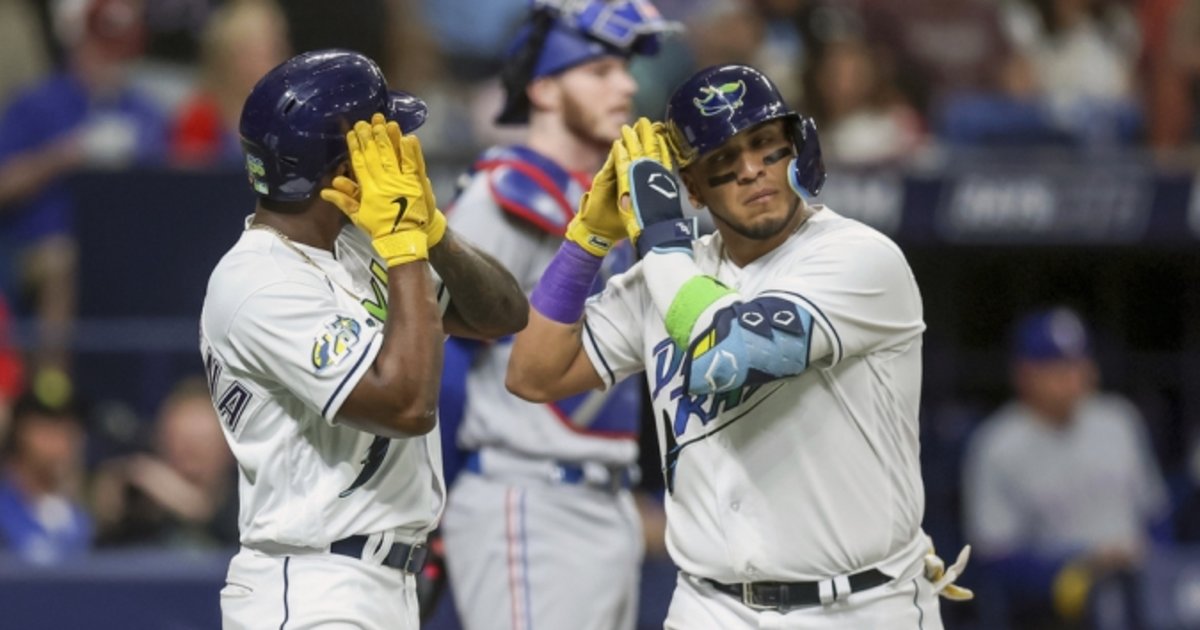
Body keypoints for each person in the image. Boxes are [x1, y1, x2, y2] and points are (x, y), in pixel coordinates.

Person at [506, 63, 971, 628]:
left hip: (858, 605)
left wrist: (659, 237)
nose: (752, 170)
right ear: (693, 189)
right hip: (709, 605)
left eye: (765, 146)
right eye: (723, 160)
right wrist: (587, 241)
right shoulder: (672, 271)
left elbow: (733, 354)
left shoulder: (858, 257)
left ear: (797, 150)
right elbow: (532, 374)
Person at [199, 49, 527, 630]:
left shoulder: (362, 243)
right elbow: (405, 404)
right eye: (379, 140)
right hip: (313, 586)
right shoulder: (258, 281)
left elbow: (501, 316)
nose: (398, 151)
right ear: (339, 166)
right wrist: (403, 247)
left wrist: (434, 232)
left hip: (374, 584)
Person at [437, 2, 677, 628]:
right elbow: (442, 352)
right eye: (599, 70)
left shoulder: (611, 195)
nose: (625, 84)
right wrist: (432, 503)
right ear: (543, 88)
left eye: (623, 69)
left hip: (607, 496)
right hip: (526, 495)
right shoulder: (502, 192)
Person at [963, 307, 1170, 629]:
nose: (1073, 378)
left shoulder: (1118, 420)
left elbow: (1156, 513)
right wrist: (1083, 562)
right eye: (1057, 369)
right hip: (1052, 604)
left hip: (1138, 592)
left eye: (1078, 364)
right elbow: (994, 556)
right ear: (1025, 375)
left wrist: (1151, 557)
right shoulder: (997, 444)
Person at [0, 0, 167, 399]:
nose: (110, 63)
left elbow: (173, 188)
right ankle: (51, 391)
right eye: (101, 49)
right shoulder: (36, 103)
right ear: (78, 45)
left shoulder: (145, 112)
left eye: (121, 52)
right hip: (34, 250)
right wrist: (62, 156)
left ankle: (163, 394)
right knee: (62, 259)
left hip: (125, 247)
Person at [91, 376, 238, 549]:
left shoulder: (251, 506)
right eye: (181, 443)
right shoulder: (141, 507)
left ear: (228, 449)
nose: (192, 458)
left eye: (204, 443)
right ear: (161, 443)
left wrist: (194, 508)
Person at [0, 390, 91, 564]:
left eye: (67, 429)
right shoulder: (4, 509)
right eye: (47, 429)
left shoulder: (79, 517)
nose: (60, 441)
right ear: (20, 434)